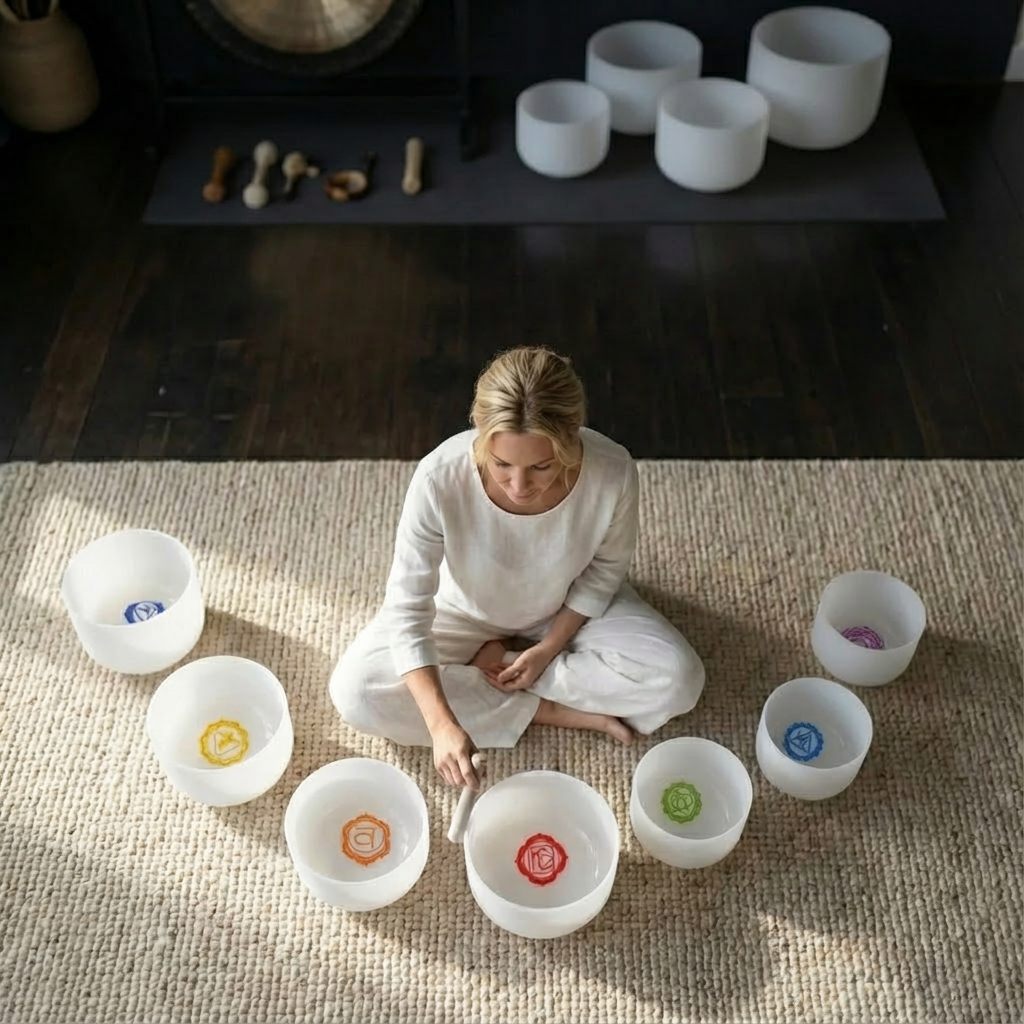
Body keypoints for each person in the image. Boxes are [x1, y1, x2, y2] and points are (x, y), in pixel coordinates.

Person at [330, 346, 705, 789]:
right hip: (463, 609)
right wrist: (440, 726)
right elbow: (407, 609)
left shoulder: (612, 471)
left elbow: (604, 572)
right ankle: (553, 710)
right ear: (481, 436)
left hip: (567, 605)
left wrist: (544, 651)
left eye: (541, 466)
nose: (518, 486)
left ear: (571, 441)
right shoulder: (438, 478)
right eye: (501, 464)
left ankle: (499, 666)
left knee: (680, 680)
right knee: (355, 693)